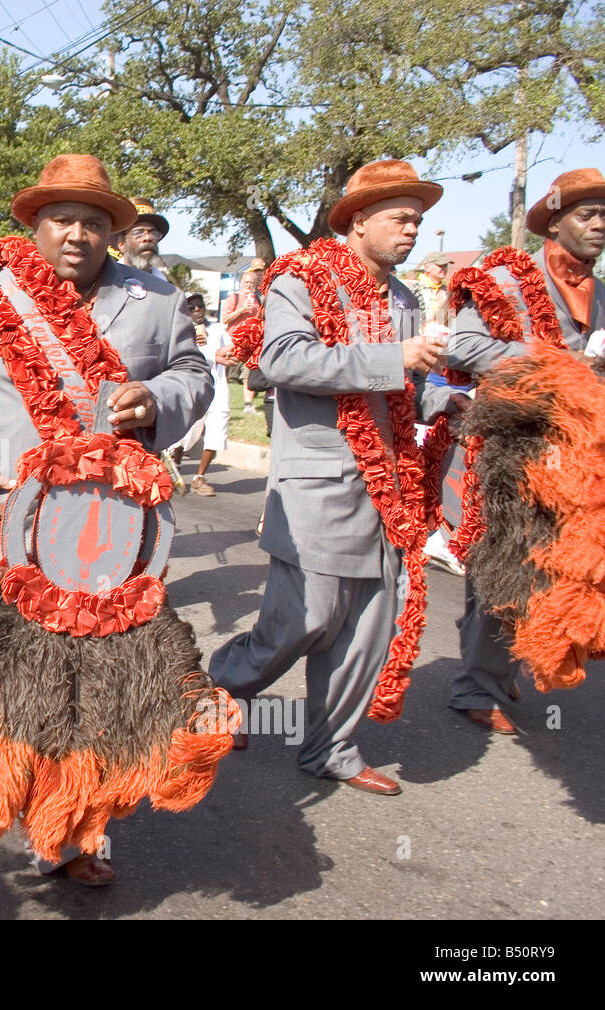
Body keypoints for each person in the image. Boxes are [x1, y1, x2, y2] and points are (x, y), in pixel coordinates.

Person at [0, 154, 215, 885]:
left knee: (90, 686)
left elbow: (195, 376)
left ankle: (70, 831)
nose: (77, 234)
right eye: (62, 219)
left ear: (113, 231)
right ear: (35, 225)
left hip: (108, 533)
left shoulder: (157, 299)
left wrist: (157, 400)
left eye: (94, 222)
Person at [210, 159, 458, 797]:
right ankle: (223, 686)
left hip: (391, 490)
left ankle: (332, 749)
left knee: (368, 626)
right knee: (306, 619)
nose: (412, 229)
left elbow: (403, 389)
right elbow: (281, 359)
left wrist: (445, 401)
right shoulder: (302, 276)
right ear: (359, 220)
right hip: (320, 484)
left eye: (418, 220)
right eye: (401, 218)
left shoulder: (404, 299)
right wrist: (393, 357)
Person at [445, 167, 605, 734]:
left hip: (573, 452)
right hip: (507, 449)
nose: (600, 224)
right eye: (588, 214)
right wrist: (558, 363)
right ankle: (477, 684)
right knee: (506, 562)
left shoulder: (601, 290)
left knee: (550, 563)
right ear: (554, 222)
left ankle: (495, 662)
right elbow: (463, 346)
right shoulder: (504, 280)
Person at [169, 292, 234, 495]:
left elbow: (230, 349)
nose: (197, 310)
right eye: (192, 307)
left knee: (216, 432)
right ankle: (175, 468)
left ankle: (199, 478)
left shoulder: (218, 329)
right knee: (185, 431)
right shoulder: (180, 330)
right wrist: (211, 355)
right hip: (192, 389)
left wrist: (230, 354)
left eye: (200, 305)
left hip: (217, 389)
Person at [223, 258, 265, 412]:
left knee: (248, 374)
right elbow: (225, 319)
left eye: (251, 283)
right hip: (232, 343)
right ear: (241, 283)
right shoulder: (234, 298)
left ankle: (248, 405)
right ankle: (221, 403)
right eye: (246, 282)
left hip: (250, 344)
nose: (249, 285)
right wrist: (241, 310)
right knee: (226, 375)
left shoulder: (258, 300)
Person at [115, 197, 169, 278]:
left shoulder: (165, 284)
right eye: (138, 233)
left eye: (153, 233)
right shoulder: (106, 281)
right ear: (121, 244)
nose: (148, 238)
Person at [413, 251, 451, 328]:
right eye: (441, 265)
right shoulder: (415, 291)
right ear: (427, 268)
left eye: (446, 266)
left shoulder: (448, 292)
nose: (444, 269)